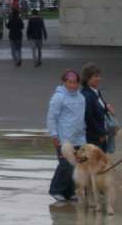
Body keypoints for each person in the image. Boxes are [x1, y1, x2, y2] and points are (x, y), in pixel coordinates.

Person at [46, 68, 86, 203]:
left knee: (75, 166)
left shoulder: (81, 97)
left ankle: (69, 192)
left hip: (79, 138)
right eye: (69, 82)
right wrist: (54, 135)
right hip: (64, 139)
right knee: (65, 165)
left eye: (75, 82)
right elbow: (52, 118)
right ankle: (56, 190)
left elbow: (81, 118)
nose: (72, 85)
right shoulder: (58, 97)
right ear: (64, 82)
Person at [81, 63, 114, 152]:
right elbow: (88, 118)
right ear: (88, 78)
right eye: (96, 76)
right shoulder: (86, 95)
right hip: (94, 138)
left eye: (99, 76)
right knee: (96, 163)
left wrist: (106, 107)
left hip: (100, 134)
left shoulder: (95, 91)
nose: (99, 79)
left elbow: (100, 105)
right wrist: (101, 133)